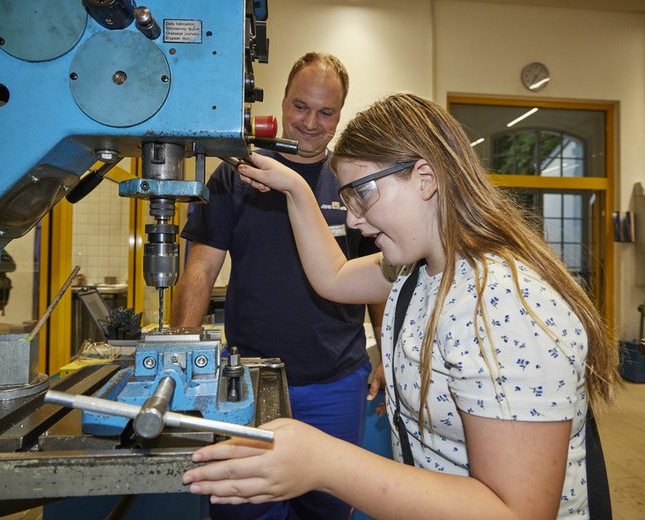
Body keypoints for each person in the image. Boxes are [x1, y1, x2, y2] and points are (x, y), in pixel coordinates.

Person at [182, 93, 622, 519]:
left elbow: (518, 511)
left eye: (362, 195)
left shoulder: (499, 301)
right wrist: (296, 189)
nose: (352, 220)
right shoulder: (418, 269)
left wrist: (325, 463)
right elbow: (332, 277)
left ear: (425, 178)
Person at [171, 52, 385, 519]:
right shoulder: (238, 173)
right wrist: (182, 352)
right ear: (282, 101)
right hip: (246, 379)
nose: (310, 122)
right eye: (300, 106)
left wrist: (386, 352)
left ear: (341, 114)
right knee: (244, 506)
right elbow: (200, 270)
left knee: (328, 509)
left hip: (335, 380)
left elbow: (376, 274)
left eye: (326, 112)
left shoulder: (351, 184)